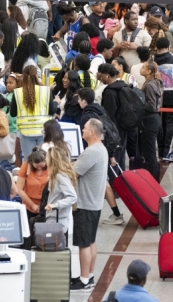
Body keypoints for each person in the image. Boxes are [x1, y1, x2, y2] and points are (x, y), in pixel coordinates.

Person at [68, 119, 108, 292]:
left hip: (85, 203)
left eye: (84, 128)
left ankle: (83, 280)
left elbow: (73, 174)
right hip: (95, 202)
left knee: (83, 243)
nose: (82, 130)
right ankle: (89, 275)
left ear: (91, 132)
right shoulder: (101, 149)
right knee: (90, 241)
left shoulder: (91, 151)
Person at [10, 65, 56, 158]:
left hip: (25, 132)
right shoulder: (46, 91)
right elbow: (51, 111)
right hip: (44, 130)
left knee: (29, 160)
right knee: (45, 160)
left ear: (23, 76)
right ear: (36, 76)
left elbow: (13, 113)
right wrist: (55, 103)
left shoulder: (18, 92)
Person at [139, 60, 163, 180]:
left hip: (150, 120)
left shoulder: (149, 85)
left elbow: (152, 106)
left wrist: (139, 103)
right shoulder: (154, 82)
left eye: (143, 67)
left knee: (150, 152)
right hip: (154, 119)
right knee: (150, 150)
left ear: (148, 71)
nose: (141, 68)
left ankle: (152, 178)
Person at [17, 148, 48, 226]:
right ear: (31, 162)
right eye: (36, 166)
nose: (39, 168)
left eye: (41, 166)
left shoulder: (50, 165)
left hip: (47, 205)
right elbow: (19, 189)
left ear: (46, 161)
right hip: (29, 205)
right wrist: (32, 205)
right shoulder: (26, 166)